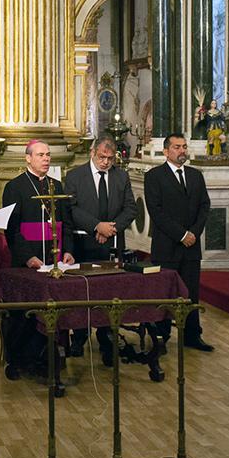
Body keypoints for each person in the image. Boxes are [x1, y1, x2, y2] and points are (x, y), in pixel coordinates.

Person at [2, 141, 75, 380]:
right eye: (41, 154)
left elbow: (67, 224)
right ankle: (17, 360)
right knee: (25, 314)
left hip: (54, 259)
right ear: (28, 159)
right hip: (29, 260)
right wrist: (28, 257)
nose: (46, 158)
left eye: (48, 154)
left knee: (52, 310)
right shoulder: (15, 187)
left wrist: (68, 251)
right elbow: (12, 230)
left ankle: (46, 358)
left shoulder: (56, 185)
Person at [65, 135, 137, 362]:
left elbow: (130, 209)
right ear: (92, 153)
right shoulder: (75, 176)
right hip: (84, 244)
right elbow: (71, 209)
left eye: (110, 158)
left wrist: (110, 229)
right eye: (101, 157)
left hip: (112, 245)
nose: (106, 162)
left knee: (109, 293)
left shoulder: (121, 176)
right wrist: (97, 226)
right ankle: (79, 335)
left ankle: (107, 338)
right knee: (80, 293)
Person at [144, 134, 213, 352]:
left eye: (184, 147)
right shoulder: (154, 176)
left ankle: (192, 335)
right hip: (167, 247)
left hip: (192, 247)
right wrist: (181, 235)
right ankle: (161, 336)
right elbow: (156, 211)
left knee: (191, 293)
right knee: (165, 293)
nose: (182, 150)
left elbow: (204, 206)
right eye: (176, 147)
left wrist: (193, 233)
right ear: (166, 151)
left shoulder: (195, 176)